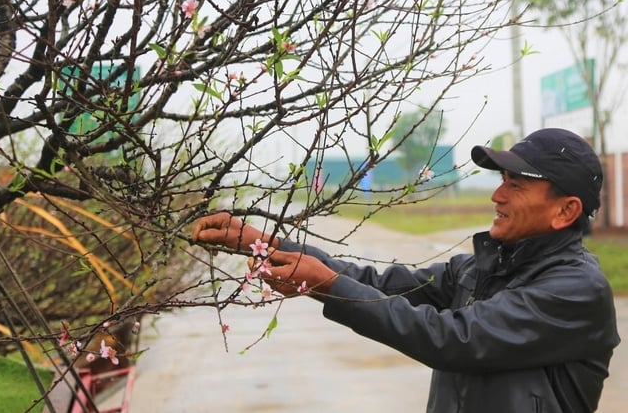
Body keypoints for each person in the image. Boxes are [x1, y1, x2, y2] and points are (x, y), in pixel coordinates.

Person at [192, 128, 620, 413]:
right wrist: (266, 244)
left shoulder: (575, 290)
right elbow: (380, 285)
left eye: (515, 185)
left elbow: (453, 338)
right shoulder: (481, 267)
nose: (497, 195)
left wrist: (324, 283)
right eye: (501, 180)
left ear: (566, 211)